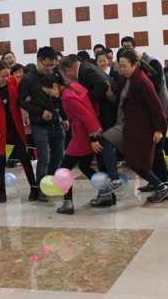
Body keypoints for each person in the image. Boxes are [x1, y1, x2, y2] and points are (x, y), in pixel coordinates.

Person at [41, 71, 122, 214]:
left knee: (63, 170)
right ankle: (105, 192)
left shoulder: (67, 97)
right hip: (89, 133)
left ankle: (68, 203)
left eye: (49, 91)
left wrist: (94, 138)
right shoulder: (74, 86)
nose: (50, 95)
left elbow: (86, 116)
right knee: (84, 165)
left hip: (83, 137)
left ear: (54, 85)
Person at [101, 49, 168, 204]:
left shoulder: (142, 81)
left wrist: (159, 130)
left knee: (106, 140)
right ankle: (162, 188)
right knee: (135, 163)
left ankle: (114, 179)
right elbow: (121, 102)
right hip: (127, 125)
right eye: (120, 66)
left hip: (139, 127)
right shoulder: (125, 80)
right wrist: (110, 95)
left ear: (134, 65)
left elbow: (156, 106)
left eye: (125, 66)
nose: (122, 69)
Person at [0, 61, 38, 203]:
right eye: (3, 76)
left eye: (8, 75)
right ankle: (2, 192)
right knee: (0, 160)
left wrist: (27, 98)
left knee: (24, 156)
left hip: (15, 125)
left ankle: (33, 188)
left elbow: (22, 96)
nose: (6, 78)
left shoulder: (13, 81)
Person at [18, 47, 65, 202]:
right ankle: (41, 189)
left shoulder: (53, 75)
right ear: (38, 60)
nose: (50, 68)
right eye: (47, 65)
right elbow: (21, 101)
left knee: (58, 155)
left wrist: (64, 117)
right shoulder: (27, 80)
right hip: (39, 125)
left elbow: (60, 97)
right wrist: (39, 112)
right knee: (44, 157)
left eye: (53, 65)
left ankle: (50, 182)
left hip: (56, 123)